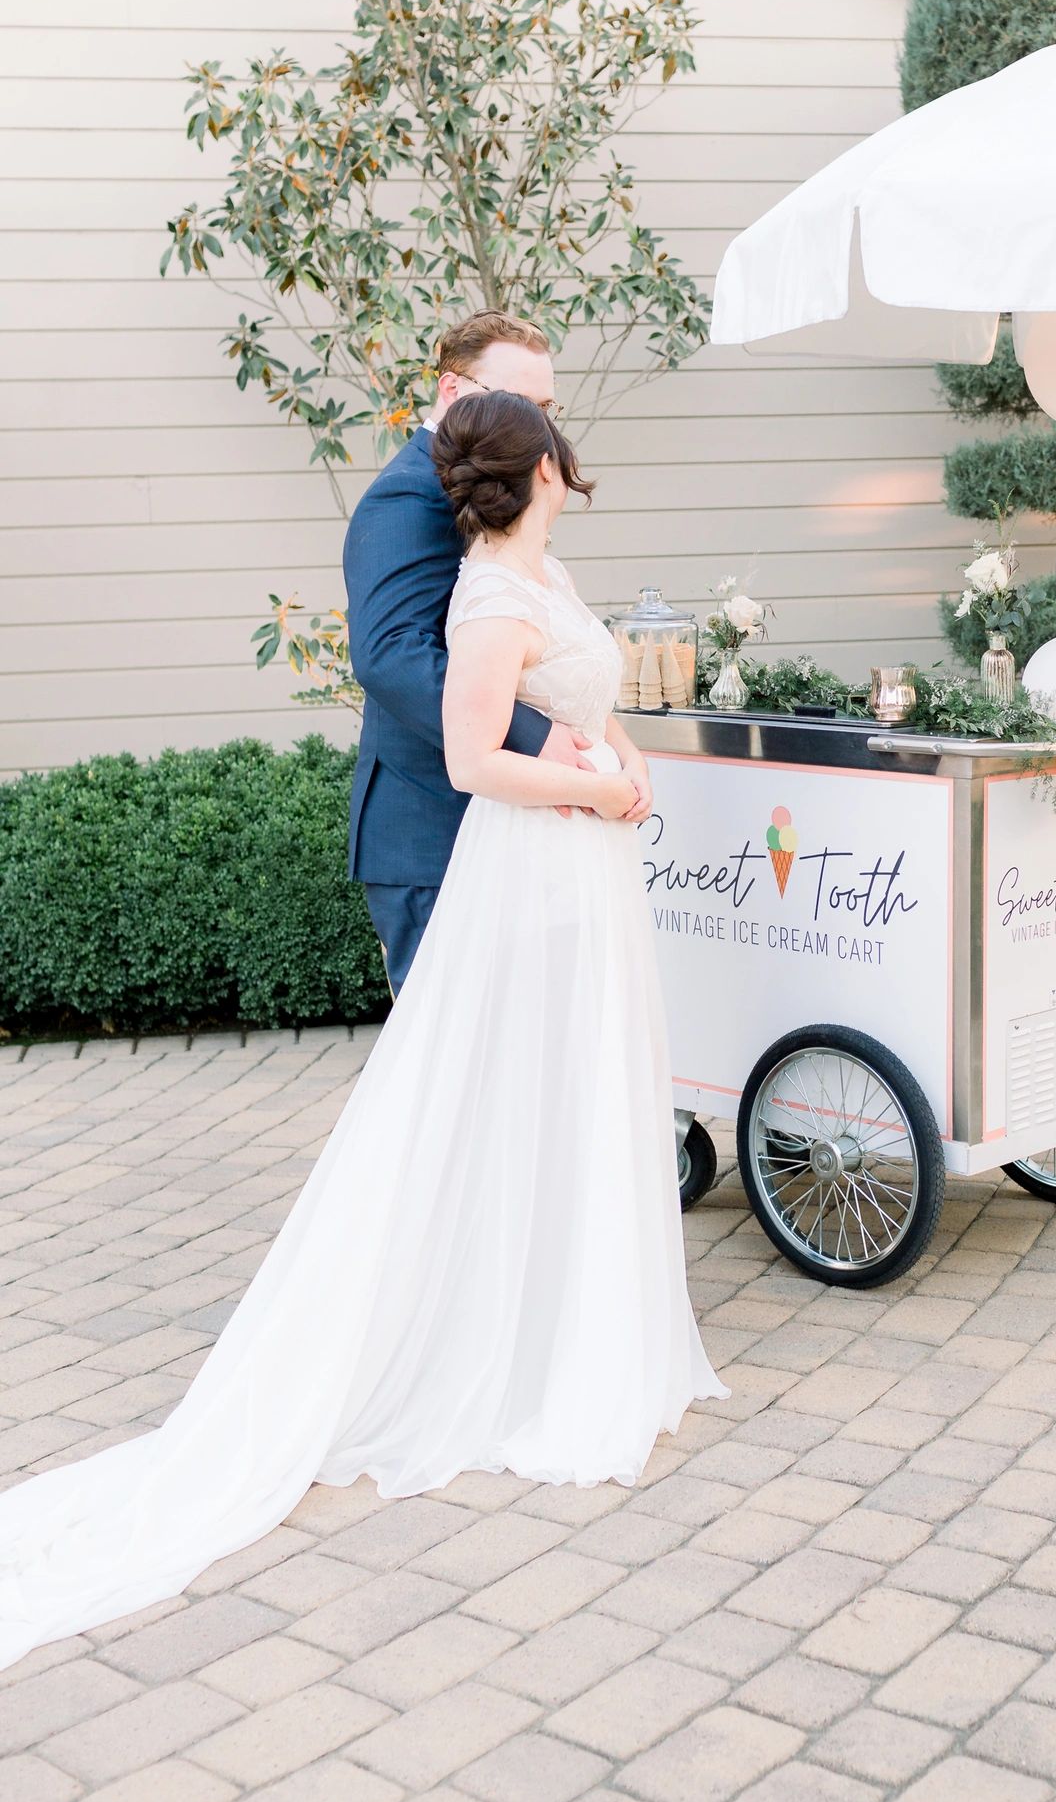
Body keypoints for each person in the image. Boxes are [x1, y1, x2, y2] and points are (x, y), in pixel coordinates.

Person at [0, 388, 725, 1669]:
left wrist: (621, 753)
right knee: (511, 1095)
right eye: (553, 429)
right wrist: (594, 789)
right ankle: (506, 1349)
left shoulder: (540, 572)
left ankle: (574, 1320)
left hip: (589, 863)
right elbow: (469, 761)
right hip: (542, 862)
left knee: (578, 1093)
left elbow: (578, 701)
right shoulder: (490, 596)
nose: (569, 446)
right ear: (538, 467)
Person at [345, 309, 593, 994]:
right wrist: (531, 734)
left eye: (546, 408)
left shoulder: (491, 490)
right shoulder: (405, 500)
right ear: (453, 393)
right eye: (520, 404)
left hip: (499, 821)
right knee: (447, 1075)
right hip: (432, 829)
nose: (541, 428)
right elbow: (391, 653)